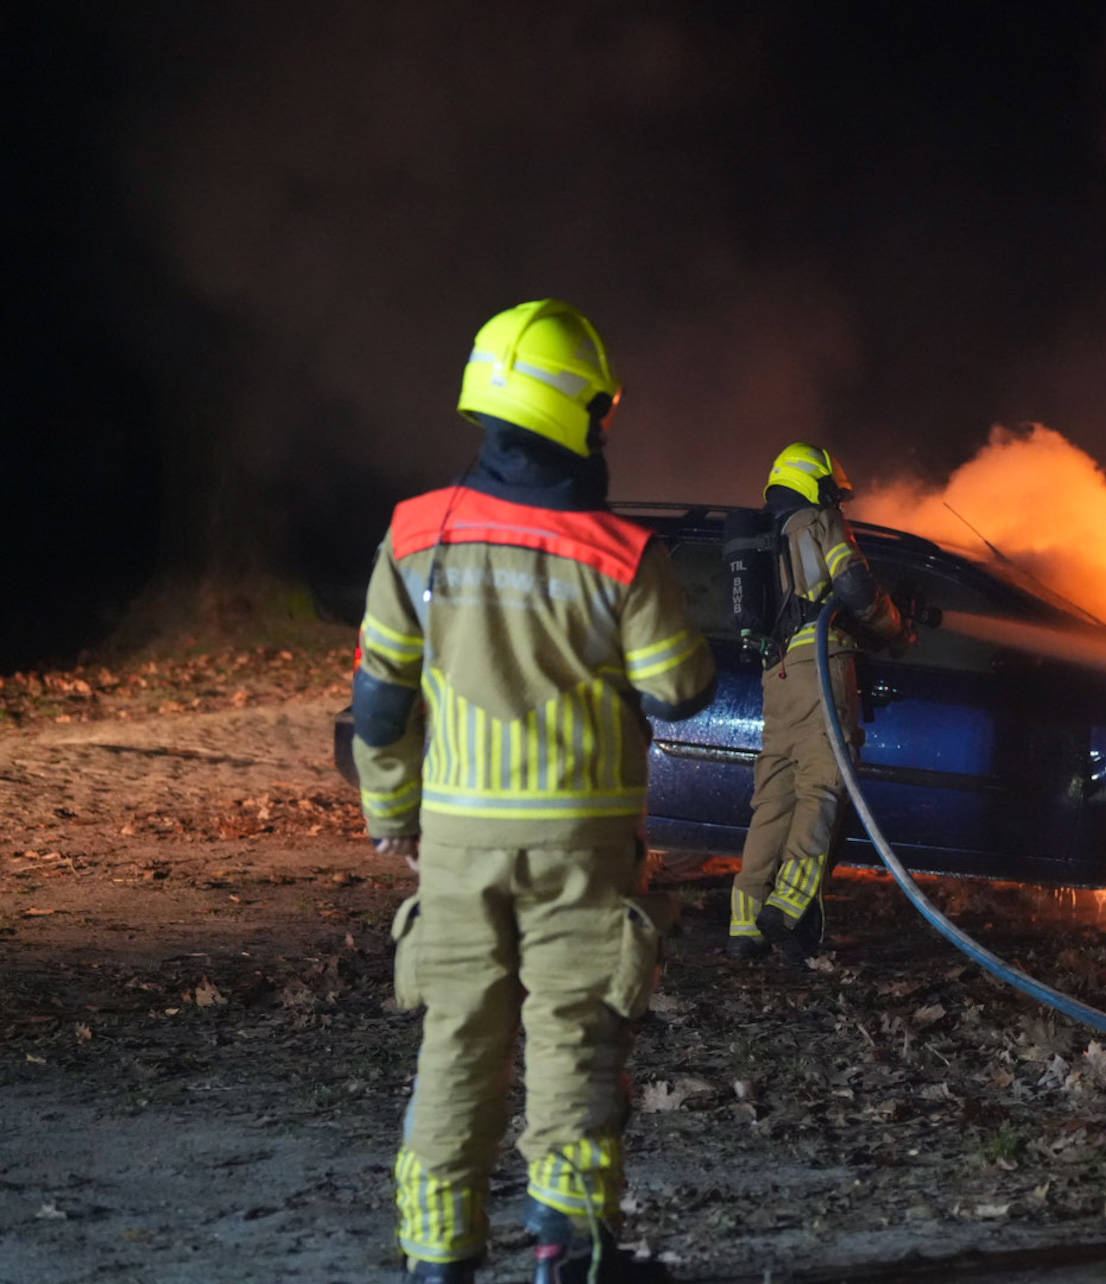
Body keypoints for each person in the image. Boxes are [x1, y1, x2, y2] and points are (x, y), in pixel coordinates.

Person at [353, 299, 716, 1283]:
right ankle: (572, 1255)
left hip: (459, 848)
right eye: (602, 409)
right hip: (581, 856)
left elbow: (382, 709)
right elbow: (681, 688)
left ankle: (438, 1261)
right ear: (578, 413)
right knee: (576, 1046)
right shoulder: (623, 556)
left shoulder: (414, 537)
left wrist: (392, 816)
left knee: (456, 1052)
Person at [727, 443, 909, 961]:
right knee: (822, 787)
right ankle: (790, 906)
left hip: (777, 676)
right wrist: (893, 626)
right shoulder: (818, 520)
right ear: (816, 482)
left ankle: (745, 924)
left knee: (773, 799)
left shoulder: (765, 535)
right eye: (834, 491)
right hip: (821, 668)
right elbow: (853, 585)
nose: (838, 502)